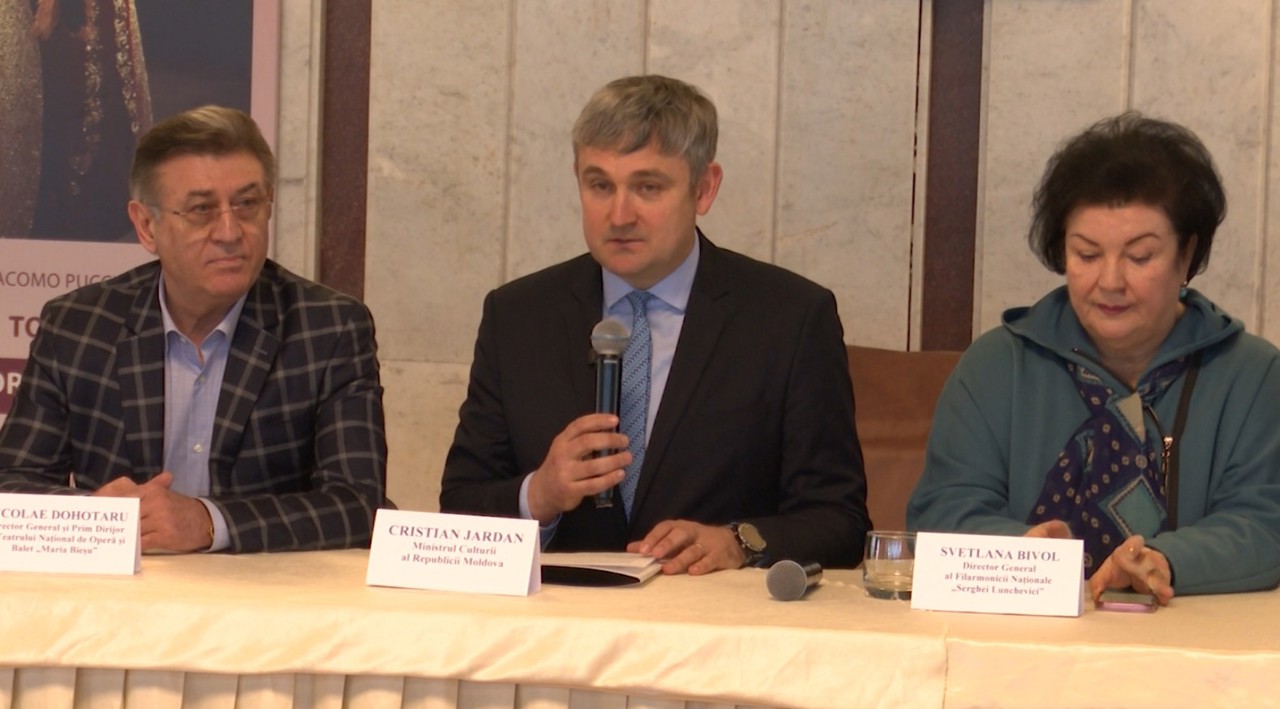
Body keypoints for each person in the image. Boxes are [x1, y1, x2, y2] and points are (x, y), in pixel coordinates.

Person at [440, 74, 869, 575]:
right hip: (557, 612)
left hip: (708, 616)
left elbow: (840, 522)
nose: (619, 215)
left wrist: (738, 542)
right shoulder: (518, 316)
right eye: (600, 185)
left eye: (647, 187)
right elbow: (459, 505)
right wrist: (540, 494)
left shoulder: (789, 318)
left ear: (704, 188)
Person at [907, 113, 1280, 603]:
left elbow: (1263, 526)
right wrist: (1023, 552)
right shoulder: (996, 367)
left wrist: (1164, 560)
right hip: (1022, 636)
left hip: (1190, 638)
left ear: (1186, 255)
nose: (1110, 281)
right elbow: (941, 511)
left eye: (1139, 257)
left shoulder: (1252, 375)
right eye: (1086, 255)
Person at [0, 105, 387, 553]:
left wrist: (208, 522)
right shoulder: (79, 325)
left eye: (247, 204)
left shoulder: (329, 328)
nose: (230, 232)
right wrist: (97, 515)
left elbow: (359, 504)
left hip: (264, 588)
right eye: (202, 209)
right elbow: (12, 484)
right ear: (146, 226)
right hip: (117, 588)